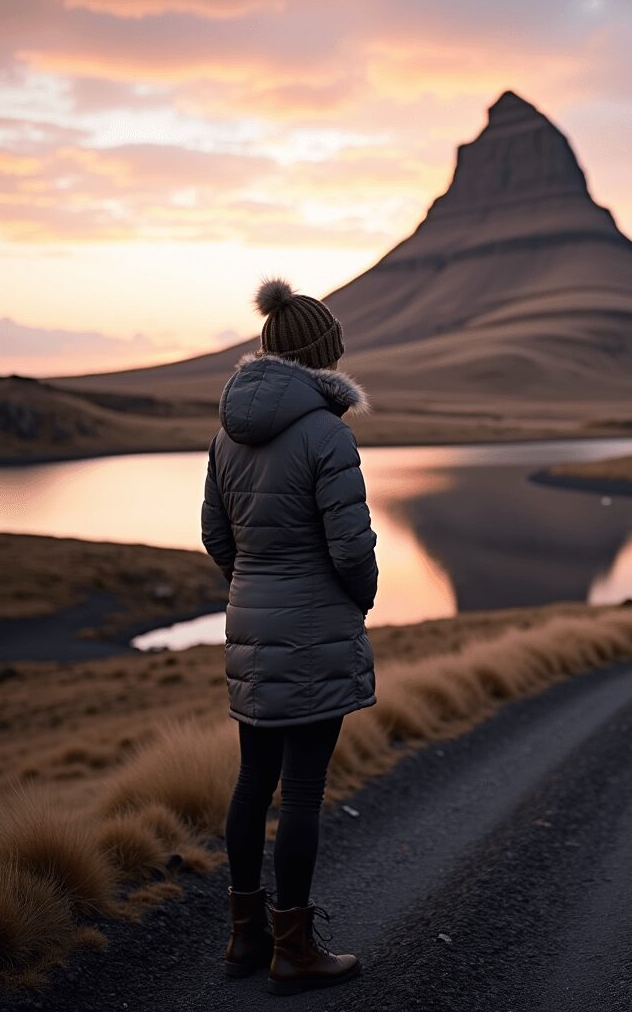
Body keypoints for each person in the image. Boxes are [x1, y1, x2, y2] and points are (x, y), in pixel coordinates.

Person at [201, 278, 378, 997]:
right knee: (302, 789)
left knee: (254, 779)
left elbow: (218, 537)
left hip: (251, 625)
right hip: (315, 629)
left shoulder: (225, 432)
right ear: (322, 355)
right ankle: (294, 949)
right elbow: (350, 549)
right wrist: (359, 600)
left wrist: (253, 588)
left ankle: (244, 936)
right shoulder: (328, 432)